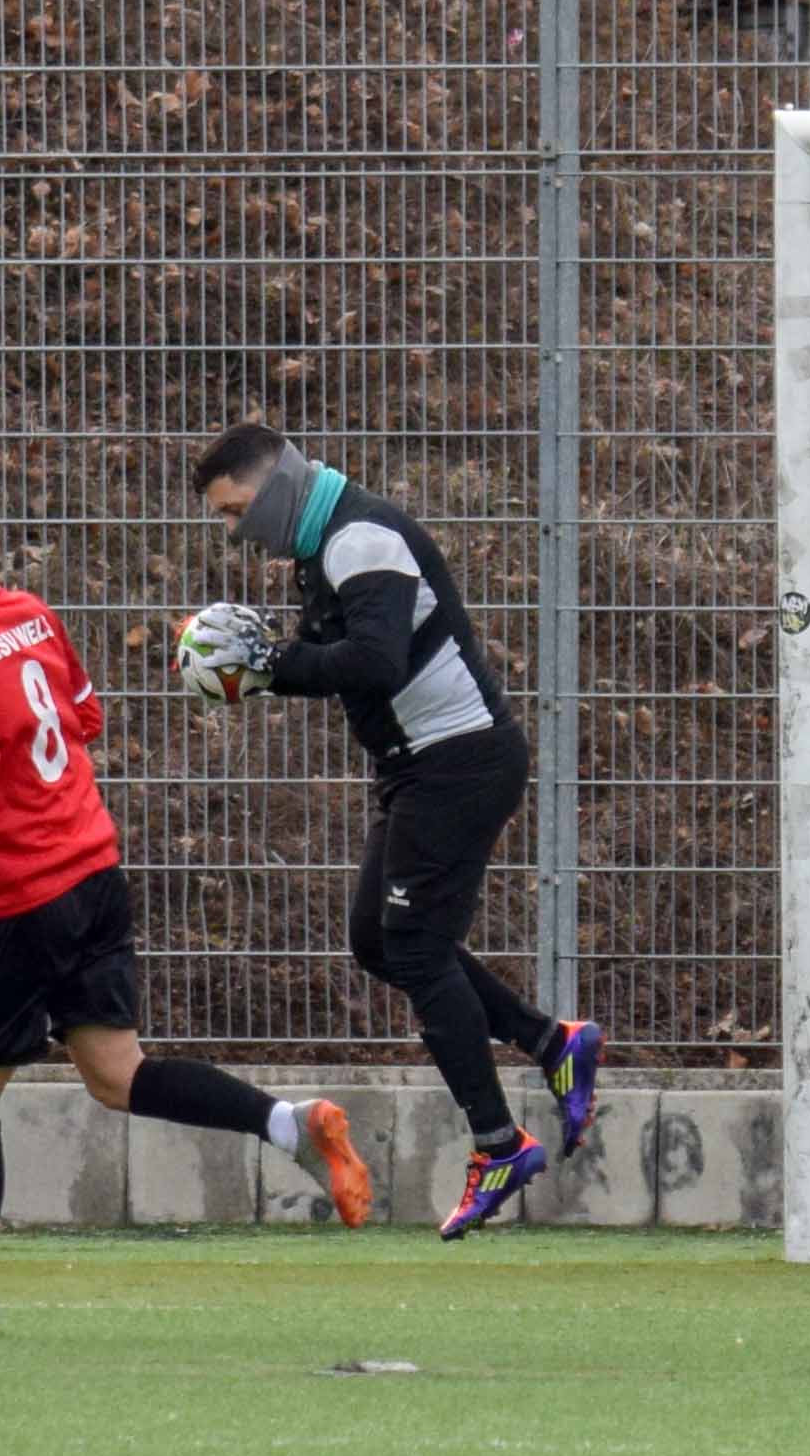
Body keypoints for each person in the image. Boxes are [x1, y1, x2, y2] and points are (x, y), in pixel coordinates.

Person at [0, 469, 375, 1337]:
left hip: (13, 897)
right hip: (92, 871)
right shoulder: (32, 615)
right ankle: (289, 1124)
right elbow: (82, 718)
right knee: (116, 1073)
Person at [178, 423, 605, 1240]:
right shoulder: (323, 547)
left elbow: (375, 661)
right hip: (420, 765)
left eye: (235, 511)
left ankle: (498, 1144)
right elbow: (339, 660)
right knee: (377, 938)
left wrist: (269, 664)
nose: (235, 532)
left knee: (413, 948)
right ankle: (552, 1042)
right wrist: (262, 666)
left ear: (273, 488)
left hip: (458, 760)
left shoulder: (360, 540)